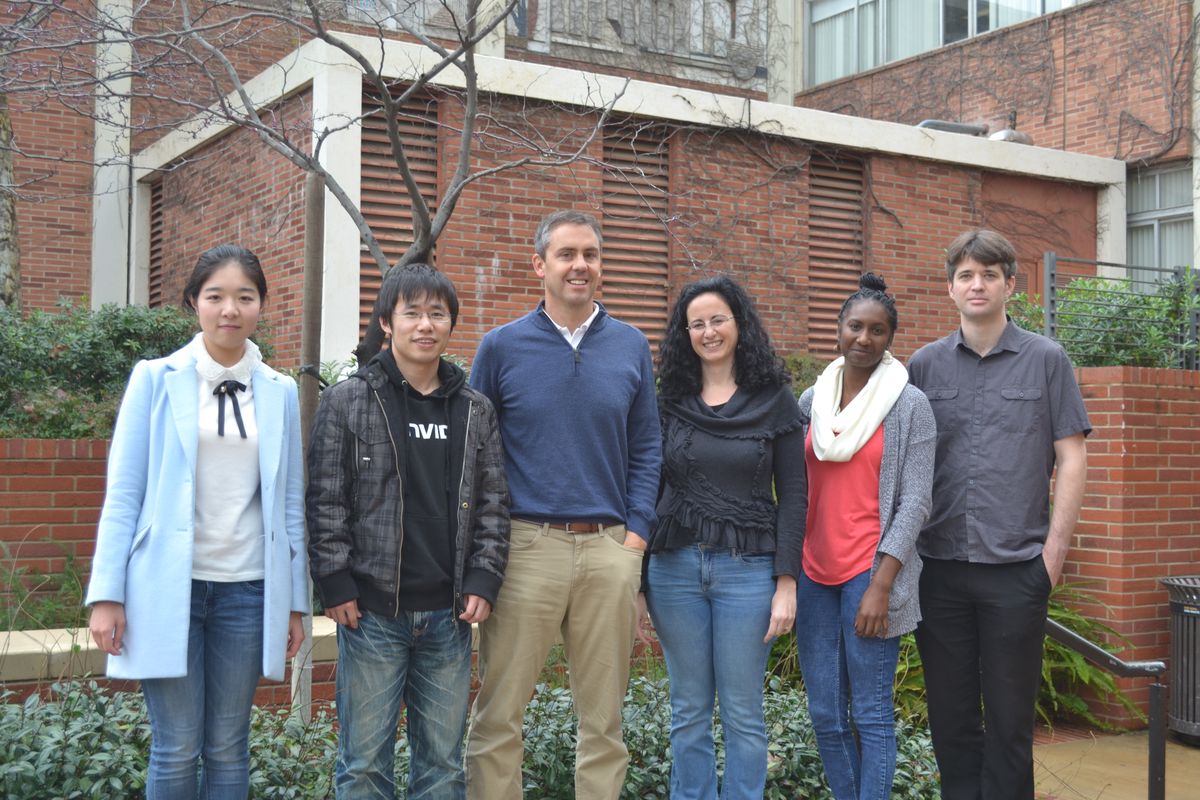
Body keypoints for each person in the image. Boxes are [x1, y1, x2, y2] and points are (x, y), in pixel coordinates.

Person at [86, 244, 309, 798]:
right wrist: (107, 593)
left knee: (230, 746)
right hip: (167, 589)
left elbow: (290, 505)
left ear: (260, 306)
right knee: (177, 745)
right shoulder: (155, 378)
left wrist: (296, 601)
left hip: (247, 590)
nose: (229, 309)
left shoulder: (280, 392)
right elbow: (124, 493)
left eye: (244, 297)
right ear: (194, 303)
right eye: (216, 297)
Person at [464, 210, 662, 800]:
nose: (581, 265)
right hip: (527, 549)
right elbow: (479, 450)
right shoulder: (500, 348)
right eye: (567, 254)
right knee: (500, 715)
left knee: (604, 722)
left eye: (591, 255)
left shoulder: (630, 346)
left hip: (609, 549)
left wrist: (637, 534)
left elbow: (648, 444)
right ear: (540, 265)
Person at [305, 263, 510, 800]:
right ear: (387, 324)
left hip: (449, 614)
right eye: (412, 313)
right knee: (364, 765)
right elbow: (325, 497)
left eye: (437, 314)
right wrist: (335, 581)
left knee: (441, 768)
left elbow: (493, 503)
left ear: (450, 325)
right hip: (373, 613)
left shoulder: (474, 410)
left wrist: (484, 580)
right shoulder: (348, 401)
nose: (426, 324)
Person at [909, 230, 1089, 800]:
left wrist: (1052, 557)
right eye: (966, 275)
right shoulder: (924, 366)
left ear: (1011, 284)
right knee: (951, 720)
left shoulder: (1047, 360)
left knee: (1011, 725)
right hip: (938, 569)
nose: (977, 284)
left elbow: (1072, 455)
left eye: (989, 274)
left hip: (1017, 568)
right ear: (950, 288)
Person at [646, 275, 805, 799]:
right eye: (697, 324)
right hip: (675, 572)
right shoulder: (669, 399)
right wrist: (639, 573)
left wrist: (787, 582)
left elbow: (795, 496)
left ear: (739, 324)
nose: (708, 332)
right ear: (684, 334)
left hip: (747, 574)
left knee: (742, 713)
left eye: (718, 320)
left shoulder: (775, 400)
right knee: (688, 709)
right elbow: (650, 483)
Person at [795, 273, 936, 800]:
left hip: (870, 573)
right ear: (838, 330)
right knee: (826, 713)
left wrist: (882, 583)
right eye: (855, 326)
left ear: (889, 338)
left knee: (872, 713)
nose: (864, 338)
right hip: (813, 573)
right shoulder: (812, 401)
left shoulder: (909, 405)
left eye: (877, 330)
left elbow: (917, 501)